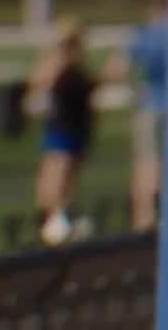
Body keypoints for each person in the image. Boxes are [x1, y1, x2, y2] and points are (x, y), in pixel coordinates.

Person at [30, 16, 99, 245]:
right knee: (58, 170)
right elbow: (40, 82)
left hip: (76, 124)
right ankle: (51, 218)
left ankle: (60, 215)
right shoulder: (57, 63)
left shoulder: (76, 64)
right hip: (62, 125)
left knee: (67, 173)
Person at [105, 0, 168, 230]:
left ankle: (145, 218)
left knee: (147, 164)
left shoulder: (145, 36)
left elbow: (116, 69)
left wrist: (134, 90)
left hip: (151, 104)